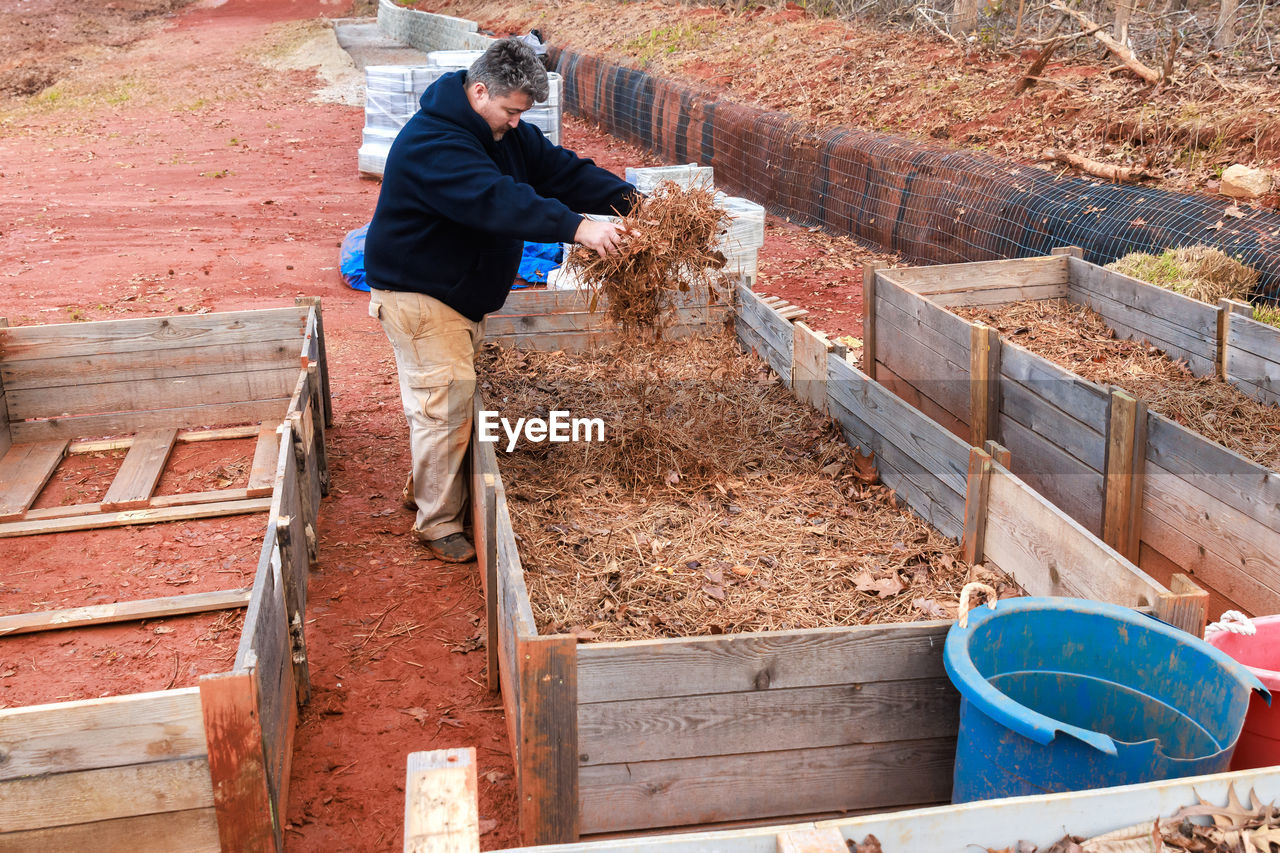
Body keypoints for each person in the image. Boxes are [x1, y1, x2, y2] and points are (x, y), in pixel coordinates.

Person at [363, 37, 636, 563]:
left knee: (448, 401)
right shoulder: (433, 144)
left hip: (459, 293)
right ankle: (438, 523)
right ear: (480, 91)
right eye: (511, 111)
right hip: (420, 294)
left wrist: (634, 204)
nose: (517, 122)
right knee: (445, 404)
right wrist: (579, 228)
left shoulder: (505, 133)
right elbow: (496, 200)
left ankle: (427, 485)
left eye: (522, 113)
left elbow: (564, 173)